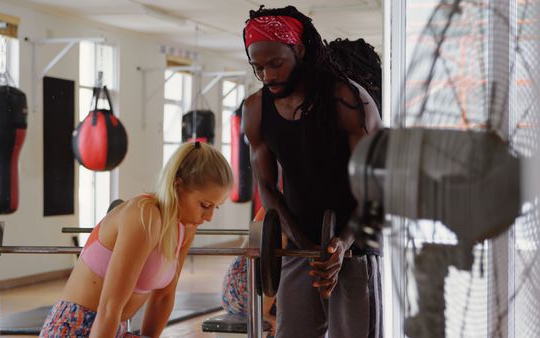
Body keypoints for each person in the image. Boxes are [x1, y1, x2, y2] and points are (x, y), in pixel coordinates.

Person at [242, 5, 383, 338]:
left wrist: (340, 247)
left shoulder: (348, 100)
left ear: (300, 50)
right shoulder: (255, 109)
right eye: (258, 67)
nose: (268, 76)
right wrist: (306, 247)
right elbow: (267, 185)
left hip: (357, 241)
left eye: (276, 64)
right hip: (299, 243)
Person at [39, 141, 233, 338]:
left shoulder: (185, 228)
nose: (209, 217)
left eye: (215, 207)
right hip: (76, 327)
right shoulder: (145, 216)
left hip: (114, 330)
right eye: (205, 205)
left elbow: (163, 298)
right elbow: (109, 308)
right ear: (178, 184)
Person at [220, 208, 280, 336]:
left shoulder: (265, 207)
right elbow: (275, 271)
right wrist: (264, 313)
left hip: (230, 294)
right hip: (247, 296)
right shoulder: (280, 212)